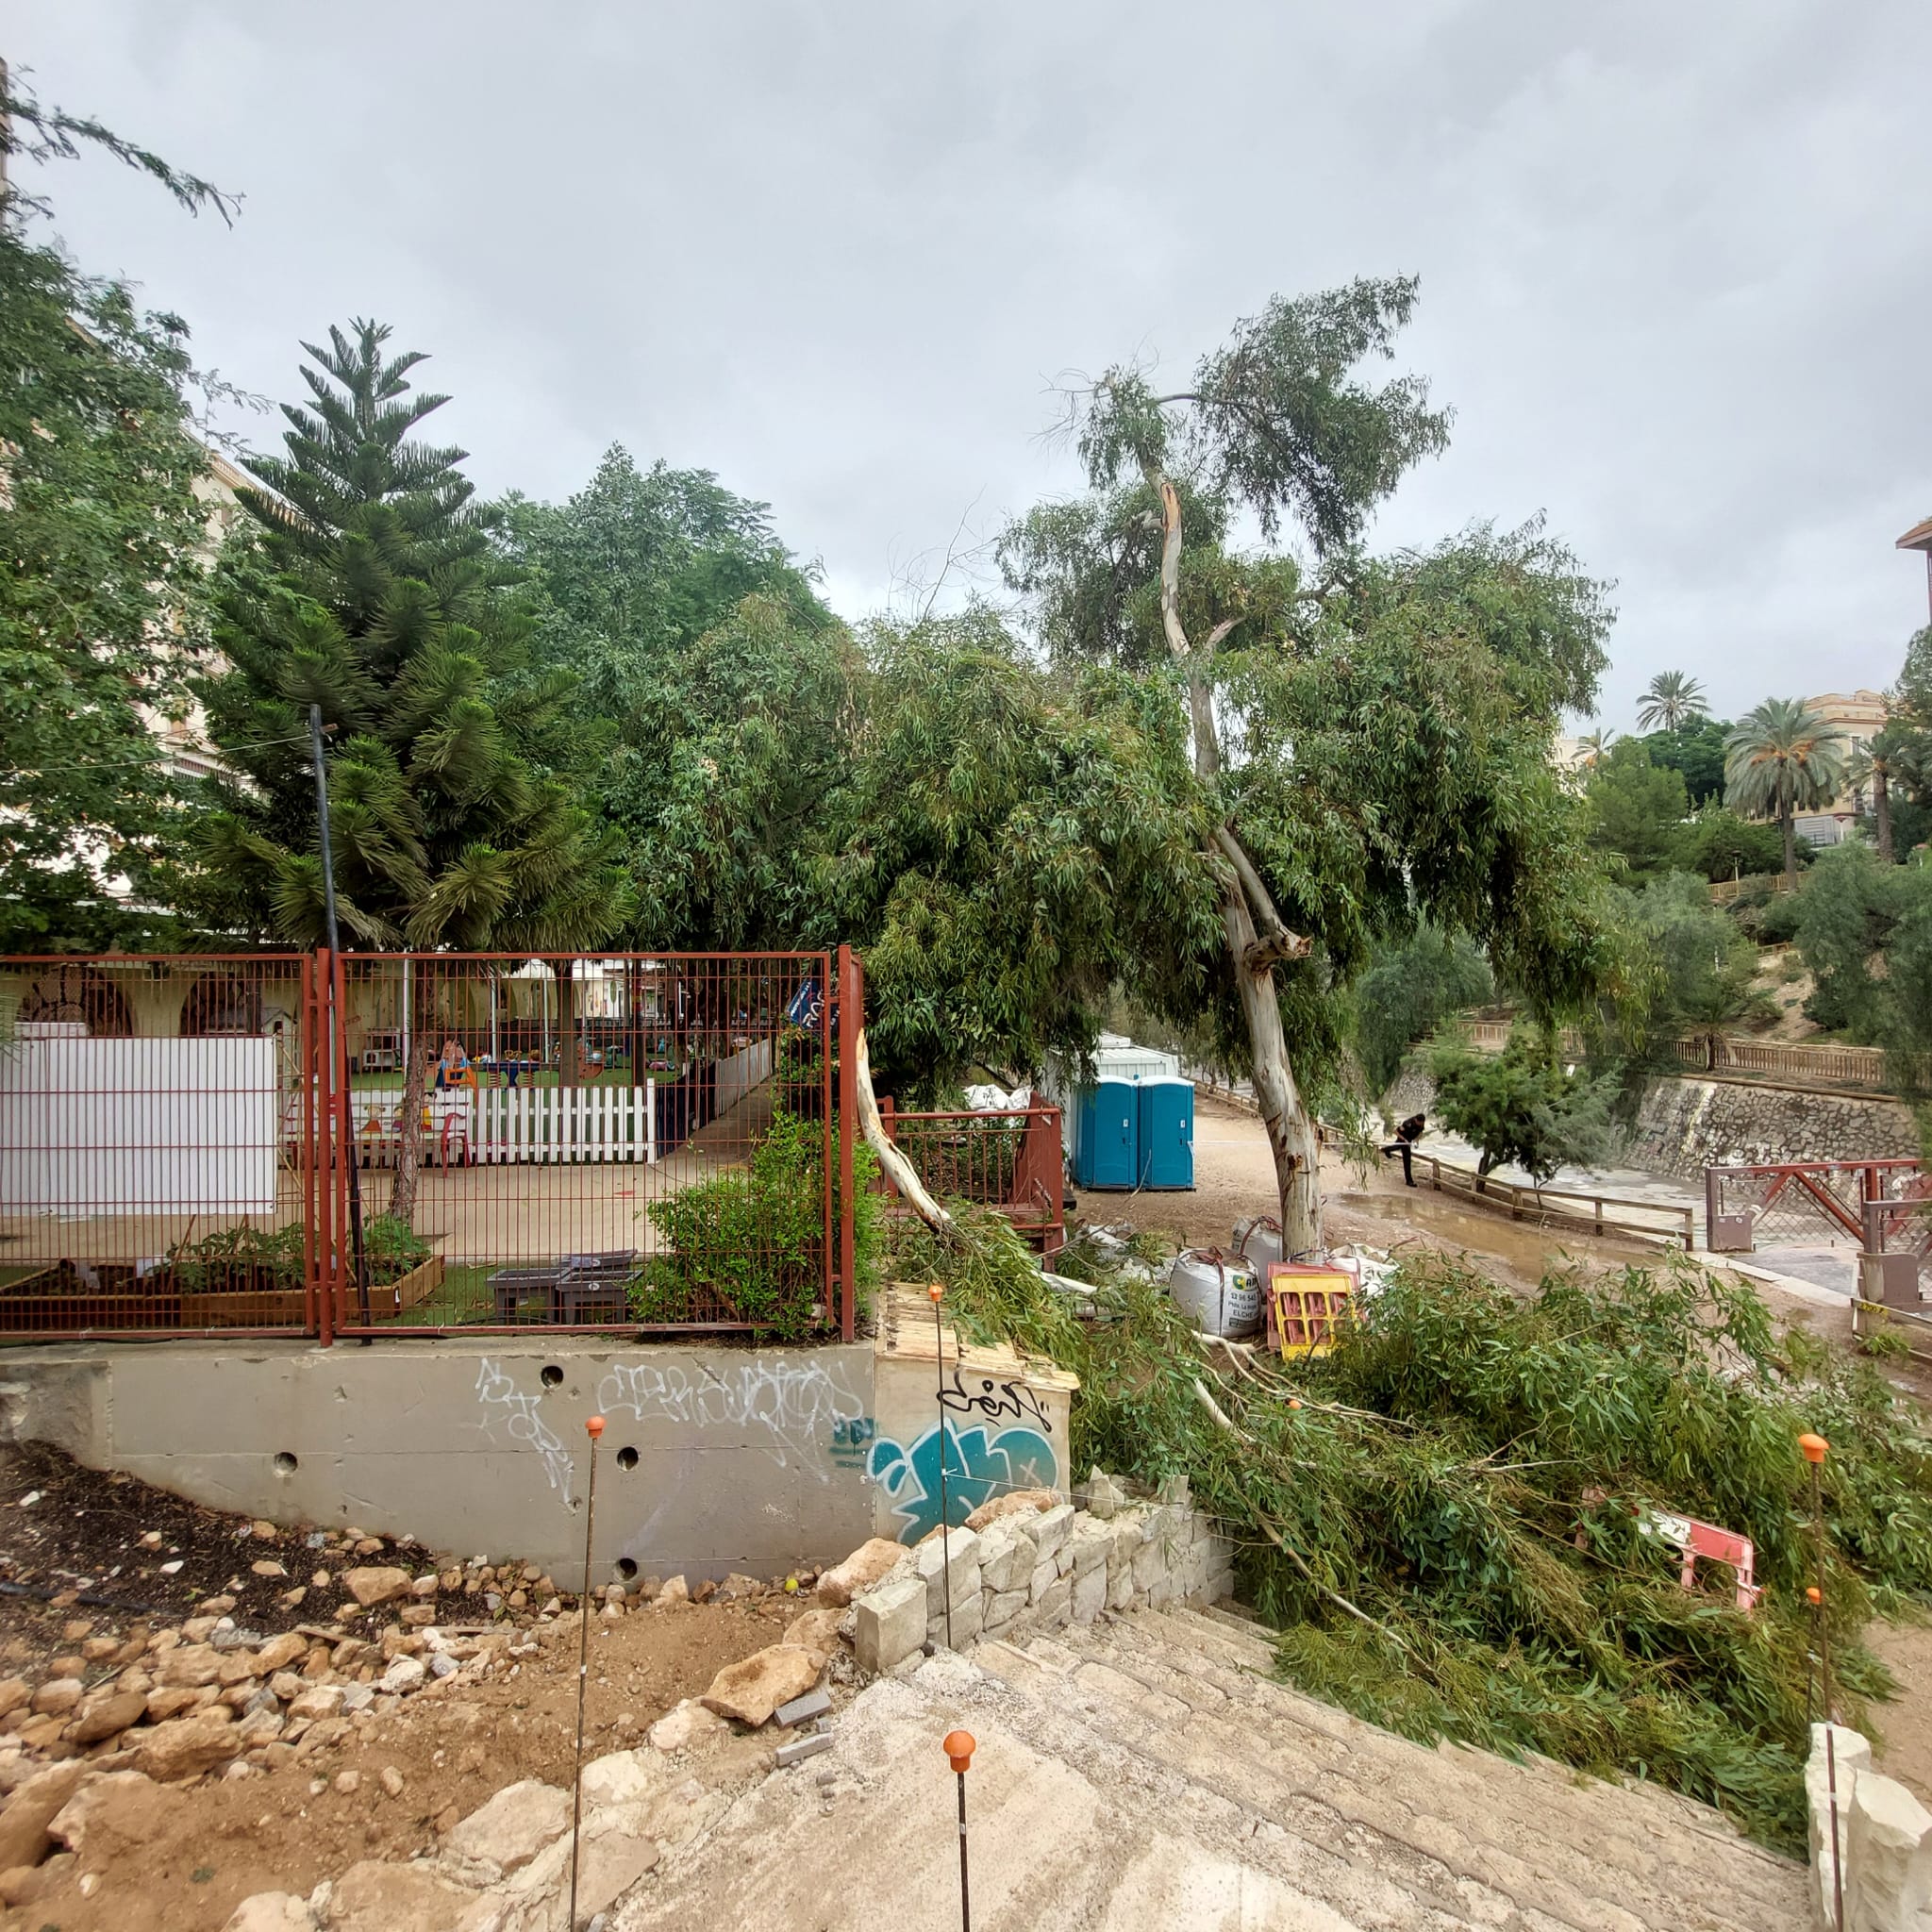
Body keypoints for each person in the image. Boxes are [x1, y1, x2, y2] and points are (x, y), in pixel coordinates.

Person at [1380, 1111, 1426, 1187]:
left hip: (1409, 1141)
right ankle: (1409, 1181)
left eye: (1422, 1123)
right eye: (1420, 1123)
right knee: (1406, 1158)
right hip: (1403, 1139)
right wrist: (1404, 1140)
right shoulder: (1408, 1123)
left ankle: (1386, 1150)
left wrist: (1416, 1140)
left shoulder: (1421, 1124)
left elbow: (1420, 1133)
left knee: (1398, 1150)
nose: (1421, 1124)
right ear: (1416, 1120)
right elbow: (1395, 1131)